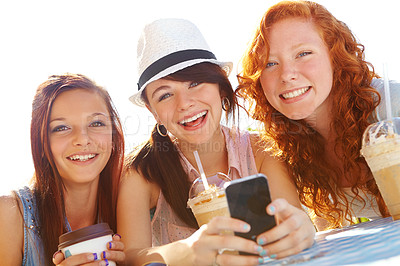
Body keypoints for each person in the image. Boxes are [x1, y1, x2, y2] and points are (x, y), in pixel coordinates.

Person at [117, 18, 315, 266]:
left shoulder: (262, 152)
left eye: (195, 83)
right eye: (165, 95)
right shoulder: (141, 173)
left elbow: (291, 221)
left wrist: (300, 228)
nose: (185, 103)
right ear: (153, 111)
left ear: (221, 86)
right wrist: (185, 252)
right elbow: (131, 257)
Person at [236, 0, 400, 231]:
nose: (287, 74)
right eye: (271, 63)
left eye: (303, 53)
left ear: (335, 57)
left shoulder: (389, 105)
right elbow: (324, 228)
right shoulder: (288, 145)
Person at [0, 73, 126, 265]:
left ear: (113, 136)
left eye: (96, 123)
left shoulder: (130, 205)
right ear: (41, 143)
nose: (83, 139)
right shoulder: (10, 215)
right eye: (61, 128)